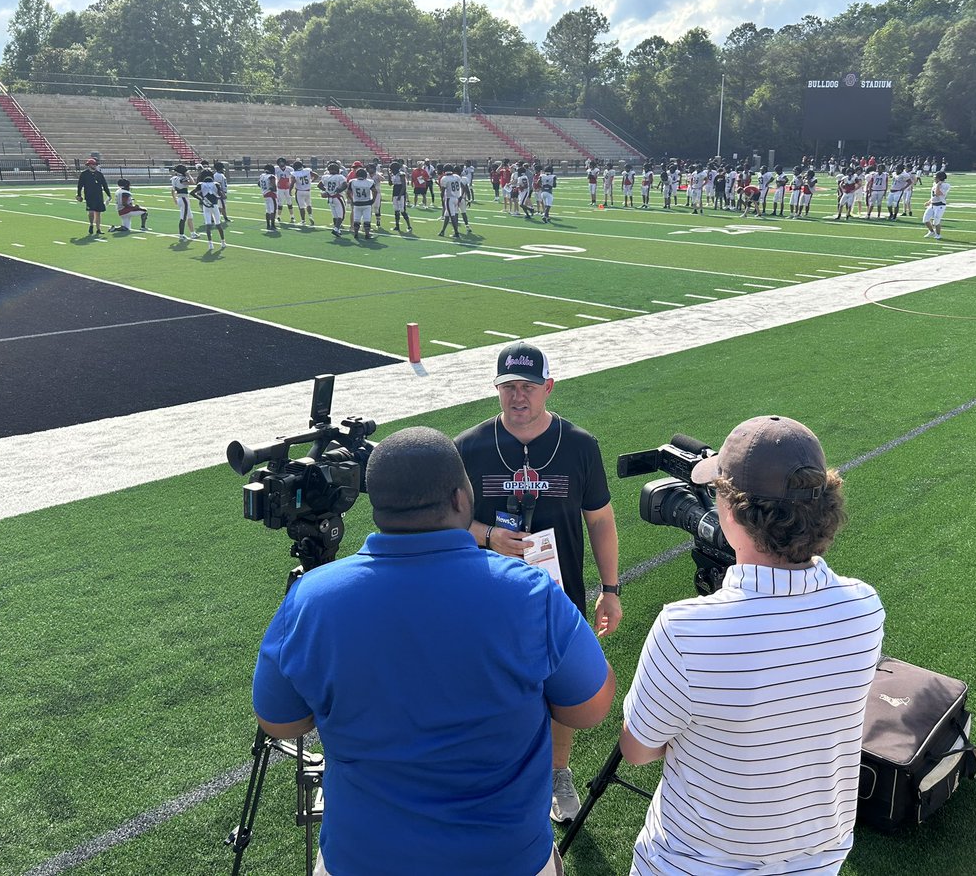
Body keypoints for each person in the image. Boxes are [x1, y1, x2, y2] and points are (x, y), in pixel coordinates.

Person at [253, 427, 615, 876]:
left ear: (376, 503)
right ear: (463, 499)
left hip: (363, 859)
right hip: (504, 859)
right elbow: (590, 708)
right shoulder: (527, 593)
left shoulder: (311, 598)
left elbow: (281, 721)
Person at [621, 415, 884, 876]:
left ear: (732, 512)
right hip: (817, 862)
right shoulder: (865, 607)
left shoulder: (684, 632)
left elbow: (638, 750)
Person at [454, 341, 621, 824]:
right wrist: (488, 535)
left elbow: (601, 521)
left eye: (528, 386)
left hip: (557, 594)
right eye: (508, 387)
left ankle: (558, 772)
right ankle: (495, 770)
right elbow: (446, 522)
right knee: (490, 685)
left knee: (558, 689)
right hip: (485, 593)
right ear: (497, 391)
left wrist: (610, 591)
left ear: (549, 387)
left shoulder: (579, 445)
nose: (518, 396)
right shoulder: (470, 447)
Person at [189, 169, 225, 251]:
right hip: (214, 205)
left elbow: (192, 193)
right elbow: (222, 195)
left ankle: (210, 244)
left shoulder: (200, 184)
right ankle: (223, 242)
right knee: (218, 224)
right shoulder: (216, 184)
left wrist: (201, 199)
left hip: (206, 206)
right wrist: (219, 196)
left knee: (208, 225)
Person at [75, 158, 110, 236]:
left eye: (94, 164)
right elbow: (80, 185)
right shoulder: (84, 174)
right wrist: (79, 194)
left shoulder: (99, 174)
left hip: (99, 195)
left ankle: (98, 229)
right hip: (89, 195)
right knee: (91, 212)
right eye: (92, 164)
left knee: (98, 213)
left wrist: (109, 195)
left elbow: (104, 185)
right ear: (89, 165)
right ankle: (91, 224)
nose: (93, 166)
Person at [319, 161, 348, 238]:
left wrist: (327, 191)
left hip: (330, 198)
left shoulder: (325, 177)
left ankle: (337, 230)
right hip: (338, 197)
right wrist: (337, 190)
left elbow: (319, 185)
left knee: (335, 215)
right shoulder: (340, 177)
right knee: (341, 215)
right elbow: (345, 185)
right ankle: (336, 229)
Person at [170, 163, 197, 240]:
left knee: (190, 216)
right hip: (184, 198)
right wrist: (188, 175)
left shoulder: (174, 178)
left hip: (181, 198)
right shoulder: (181, 178)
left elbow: (173, 190)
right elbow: (193, 182)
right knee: (183, 217)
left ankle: (192, 233)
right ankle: (181, 235)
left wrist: (174, 199)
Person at [923, 170, 950, 239]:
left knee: (936, 221)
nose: (934, 178)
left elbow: (938, 193)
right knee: (925, 220)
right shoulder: (935, 184)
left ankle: (938, 234)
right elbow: (934, 195)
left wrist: (938, 185)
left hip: (940, 205)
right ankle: (931, 231)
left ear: (940, 178)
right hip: (932, 205)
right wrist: (929, 201)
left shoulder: (946, 185)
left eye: (935, 177)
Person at [258, 163, 278, 232]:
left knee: (268, 210)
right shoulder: (271, 176)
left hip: (265, 194)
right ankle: (272, 225)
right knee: (273, 210)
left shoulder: (262, 176)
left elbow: (258, 184)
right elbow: (274, 187)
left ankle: (268, 225)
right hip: (271, 194)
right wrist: (273, 189)